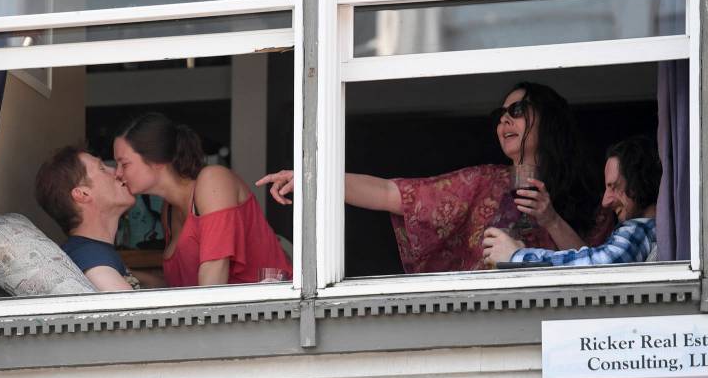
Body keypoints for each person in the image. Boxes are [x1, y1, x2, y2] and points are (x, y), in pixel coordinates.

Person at [257, 82, 612, 273]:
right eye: (499, 113)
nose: (504, 120)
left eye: (517, 111)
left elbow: (597, 273)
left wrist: (550, 218)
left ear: (548, 120)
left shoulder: (591, 196)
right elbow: (390, 193)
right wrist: (312, 177)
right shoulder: (483, 183)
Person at [113, 112, 292, 287]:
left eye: (125, 164)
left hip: (271, 312)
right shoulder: (168, 210)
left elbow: (214, 275)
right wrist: (126, 274)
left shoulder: (213, 180)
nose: (117, 173)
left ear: (158, 160)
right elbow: (186, 289)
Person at [483, 136, 661, 267]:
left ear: (640, 182)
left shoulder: (640, 229)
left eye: (614, 186)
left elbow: (599, 267)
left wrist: (516, 256)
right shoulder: (654, 231)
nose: (606, 201)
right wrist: (551, 219)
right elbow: (586, 264)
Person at [35, 145, 136, 292]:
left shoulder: (89, 252)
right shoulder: (92, 258)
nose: (116, 172)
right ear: (82, 194)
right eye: (102, 168)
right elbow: (130, 311)